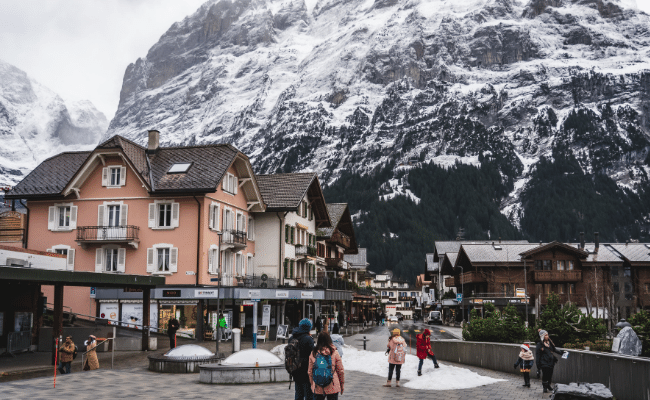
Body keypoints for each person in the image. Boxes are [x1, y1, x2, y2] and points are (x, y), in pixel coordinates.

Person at [308, 332, 344, 400]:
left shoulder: (313, 353)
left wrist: (312, 384)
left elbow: (310, 371)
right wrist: (342, 385)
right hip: (332, 385)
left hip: (317, 386)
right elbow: (340, 370)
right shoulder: (334, 352)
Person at [292, 318, 315, 400]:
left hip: (295, 369)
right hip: (306, 371)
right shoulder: (308, 339)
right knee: (309, 395)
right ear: (309, 328)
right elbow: (313, 355)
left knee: (298, 394)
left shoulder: (292, 338)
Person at [536, 329, 564, 393]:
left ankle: (548, 385)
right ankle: (545, 387)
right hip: (544, 362)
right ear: (542, 336)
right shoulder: (539, 345)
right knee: (545, 375)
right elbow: (537, 356)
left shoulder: (550, 342)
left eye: (547, 334)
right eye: (545, 335)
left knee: (550, 375)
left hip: (551, 362)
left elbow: (554, 350)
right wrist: (538, 368)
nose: (547, 336)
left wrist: (561, 353)